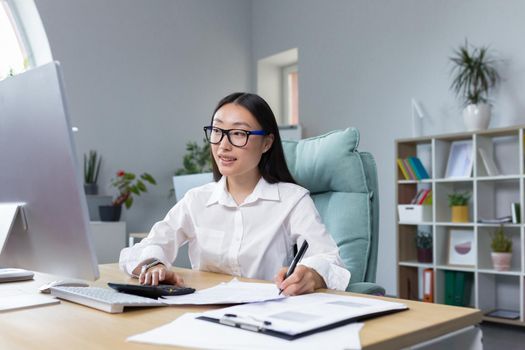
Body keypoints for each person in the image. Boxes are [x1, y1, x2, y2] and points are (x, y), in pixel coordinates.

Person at [119, 92, 350, 295]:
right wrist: (153, 266)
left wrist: (312, 275)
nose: (223, 145)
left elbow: (330, 261)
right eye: (217, 131)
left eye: (239, 133)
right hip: (203, 314)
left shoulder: (292, 200)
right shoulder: (197, 200)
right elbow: (142, 249)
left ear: (267, 143)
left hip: (267, 316)